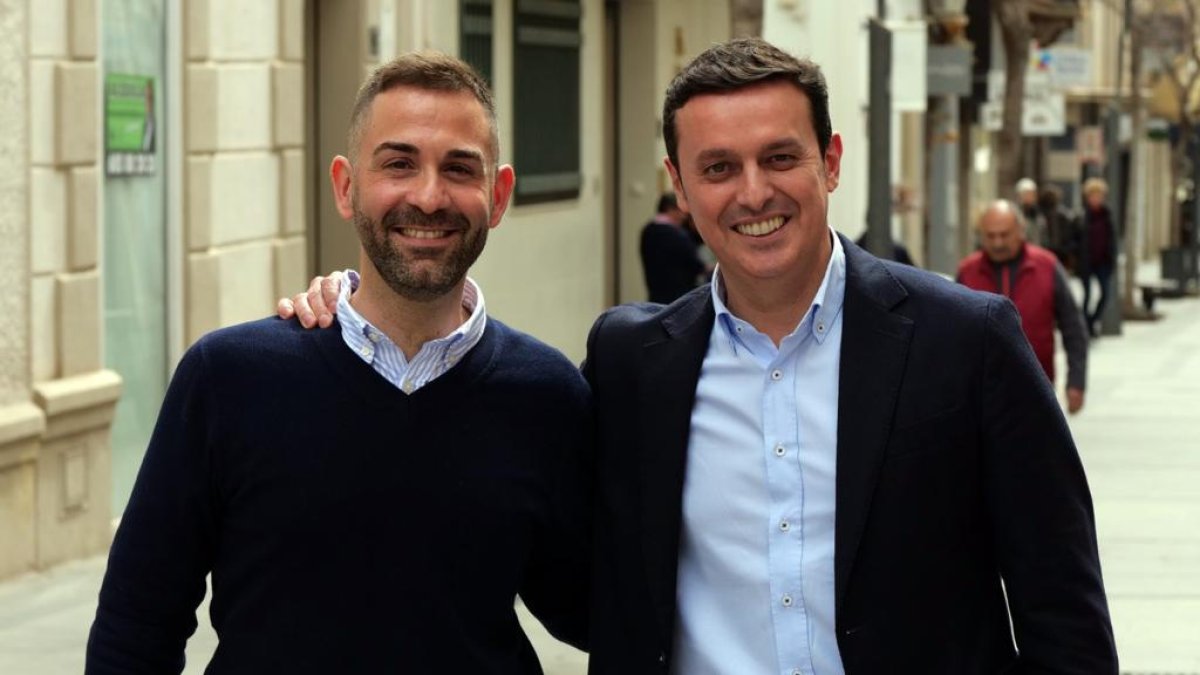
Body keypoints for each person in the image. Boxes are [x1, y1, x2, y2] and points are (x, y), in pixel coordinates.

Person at [282, 38, 1116, 674]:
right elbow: (556, 557)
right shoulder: (631, 361)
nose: (752, 191)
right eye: (718, 167)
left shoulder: (967, 341)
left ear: (829, 161)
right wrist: (348, 310)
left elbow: (1064, 611)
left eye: (780, 157)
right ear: (681, 186)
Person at [87, 52, 592, 674]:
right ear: (347, 187)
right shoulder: (229, 377)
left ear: (499, 193)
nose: (429, 197)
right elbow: (136, 625)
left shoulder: (547, 395)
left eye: (459, 168)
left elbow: (593, 610)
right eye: (399, 164)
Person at [958, 201, 1089, 414]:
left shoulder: (1047, 266)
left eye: (1004, 234)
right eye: (990, 236)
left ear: (1021, 231)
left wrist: (1076, 381)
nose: (998, 243)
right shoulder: (967, 271)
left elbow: (1073, 326)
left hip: (1037, 390)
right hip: (979, 394)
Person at [641, 193, 708, 303]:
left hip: (656, 293)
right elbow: (696, 264)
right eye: (682, 210)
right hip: (679, 297)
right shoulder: (677, 234)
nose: (685, 216)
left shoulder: (648, 230)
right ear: (671, 209)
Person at [1077, 177, 1118, 337]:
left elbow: (1112, 239)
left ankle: (1091, 322)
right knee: (1086, 296)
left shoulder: (1107, 216)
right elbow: (1076, 239)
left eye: (1098, 195)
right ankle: (1085, 326)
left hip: (1103, 262)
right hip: (1086, 262)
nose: (1096, 199)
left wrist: (1112, 259)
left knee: (1105, 294)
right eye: (1092, 195)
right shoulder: (1082, 216)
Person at [1039, 183, 1078, 271]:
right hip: (1049, 249)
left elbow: (1069, 232)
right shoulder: (1040, 214)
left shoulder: (1062, 214)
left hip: (1060, 250)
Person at [1016, 177, 1048, 246]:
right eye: (1026, 194)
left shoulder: (1039, 214)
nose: (1030, 197)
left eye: (1032, 194)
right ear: (1019, 195)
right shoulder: (1014, 214)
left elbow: (1043, 235)